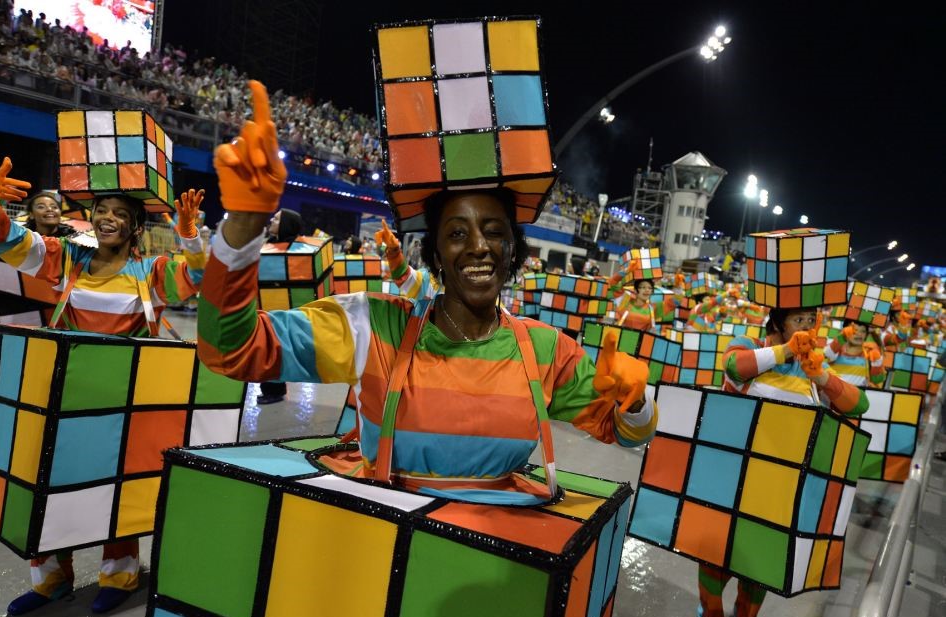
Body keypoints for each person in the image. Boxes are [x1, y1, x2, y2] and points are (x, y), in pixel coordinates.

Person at [198, 81, 657, 506]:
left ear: (512, 248)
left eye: (494, 231)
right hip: (382, 546)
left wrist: (636, 402)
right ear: (435, 251)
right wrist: (244, 222)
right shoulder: (371, 325)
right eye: (457, 233)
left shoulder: (548, 351)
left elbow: (624, 433)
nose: (478, 245)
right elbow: (232, 350)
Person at [0, 158, 206, 614]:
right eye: (103, 209)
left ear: (136, 226)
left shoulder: (155, 272)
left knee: (113, 486)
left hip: (122, 399)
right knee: (46, 481)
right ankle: (50, 580)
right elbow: (6, 240)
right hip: (63, 394)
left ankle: (120, 574)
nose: (108, 218)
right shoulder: (66, 257)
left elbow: (200, 276)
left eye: (121, 214)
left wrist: (189, 235)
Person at [699, 307, 869, 617]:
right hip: (733, 478)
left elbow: (859, 405)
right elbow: (734, 367)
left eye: (811, 320)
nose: (807, 327)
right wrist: (784, 351)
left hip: (781, 490)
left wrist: (822, 376)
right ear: (778, 322)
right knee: (714, 557)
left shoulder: (811, 372)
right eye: (798, 320)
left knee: (760, 566)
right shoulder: (750, 345)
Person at [256, 207, 305, 405]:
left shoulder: (297, 250)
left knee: (275, 350)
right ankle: (271, 388)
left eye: (276, 219)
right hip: (266, 308)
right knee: (266, 349)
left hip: (284, 312)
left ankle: (274, 390)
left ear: (285, 224)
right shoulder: (270, 245)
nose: (271, 221)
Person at [822, 321, 886, 388]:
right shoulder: (837, 350)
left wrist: (877, 361)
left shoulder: (869, 353)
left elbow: (877, 380)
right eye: (854, 330)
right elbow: (828, 353)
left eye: (863, 331)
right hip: (835, 394)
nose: (859, 334)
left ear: (866, 335)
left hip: (858, 395)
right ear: (845, 331)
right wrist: (842, 337)